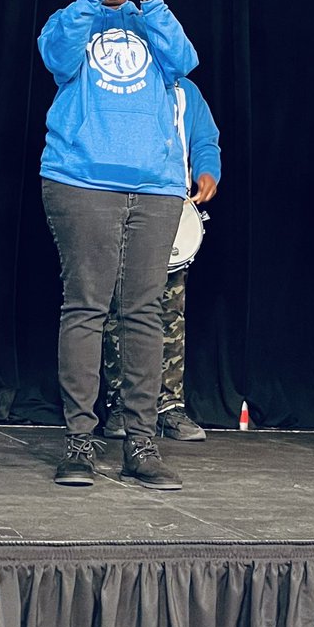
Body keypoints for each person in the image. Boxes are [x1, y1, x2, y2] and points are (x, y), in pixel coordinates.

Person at [39, 0, 197, 490]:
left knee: (143, 313)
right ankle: (80, 442)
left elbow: (185, 62)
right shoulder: (70, 19)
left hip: (156, 185)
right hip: (81, 180)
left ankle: (141, 442)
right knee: (85, 307)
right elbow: (57, 58)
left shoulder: (151, 17)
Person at [102, 75, 220, 442]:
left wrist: (207, 171)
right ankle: (122, 405)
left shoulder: (188, 91)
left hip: (167, 207)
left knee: (168, 311)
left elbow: (204, 139)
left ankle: (168, 407)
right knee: (117, 309)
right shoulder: (121, 84)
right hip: (120, 204)